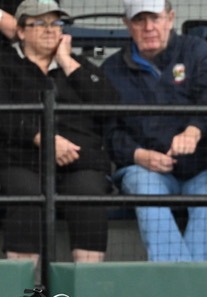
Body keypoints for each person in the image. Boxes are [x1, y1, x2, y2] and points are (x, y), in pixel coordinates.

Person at [103, 0, 207, 263]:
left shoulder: (198, 51)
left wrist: (194, 130)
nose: (149, 27)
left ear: (170, 18)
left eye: (155, 19)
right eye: (139, 20)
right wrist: (138, 155)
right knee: (144, 186)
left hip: (203, 165)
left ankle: (177, 288)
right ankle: (184, 285)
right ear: (127, 25)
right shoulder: (112, 70)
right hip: (147, 167)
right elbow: (109, 130)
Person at [0, 0, 118, 266]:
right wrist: (43, 138)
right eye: (39, 23)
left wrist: (66, 61)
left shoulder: (77, 66)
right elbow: (4, 116)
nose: (50, 29)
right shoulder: (5, 65)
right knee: (25, 195)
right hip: (22, 161)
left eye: (55, 23)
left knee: (87, 194)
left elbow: (109, 104)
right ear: (20, 31)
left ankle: (85, 296)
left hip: (79, 162)